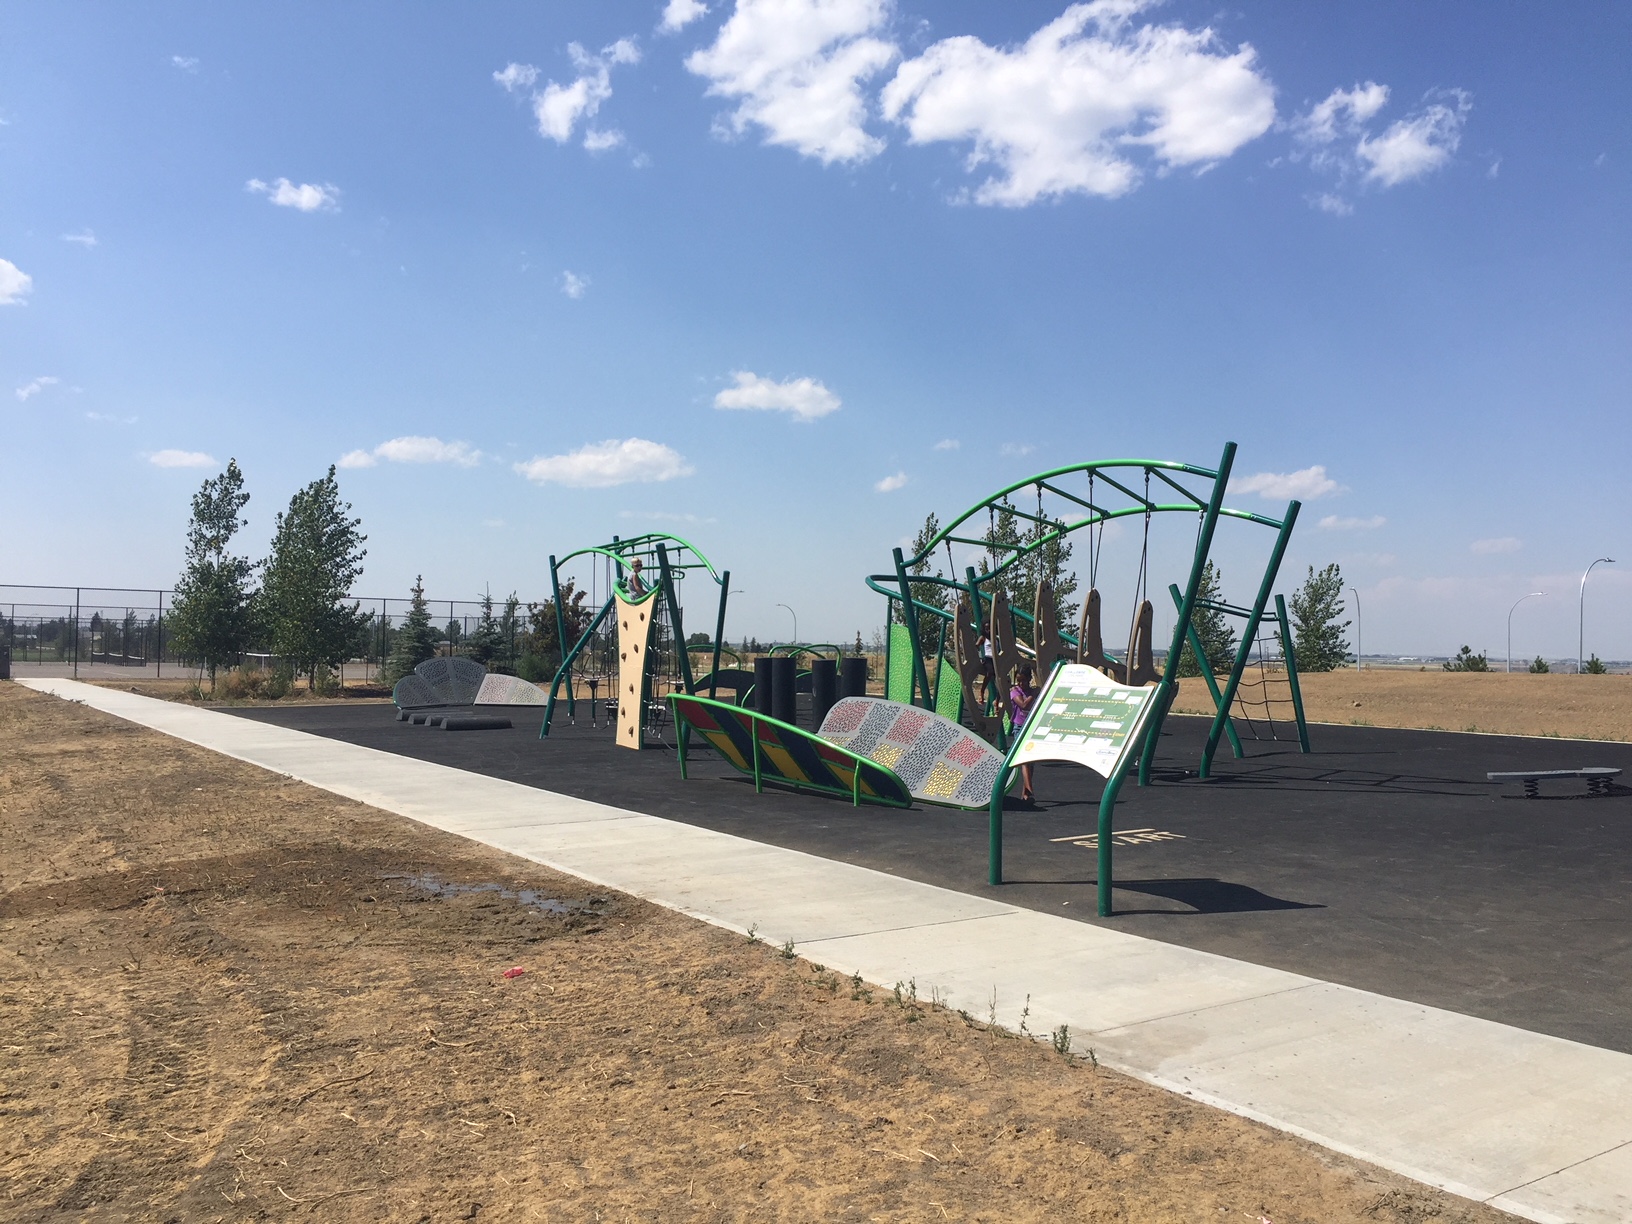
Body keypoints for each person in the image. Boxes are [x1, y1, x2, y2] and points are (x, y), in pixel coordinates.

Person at [1010, 662, 1038, 802]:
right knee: (1024, 760)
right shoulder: (1015, 691)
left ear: (1029, 679)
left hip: (1031, 728)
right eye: (1019, 680)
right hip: (1020, 727)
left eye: (1024, 680)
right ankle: (1029, 789)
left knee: (1031, 762)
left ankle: (1025, 794)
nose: (1021, 683)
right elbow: (1023, 705)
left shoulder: (1032, 691)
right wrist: (1033, 695)